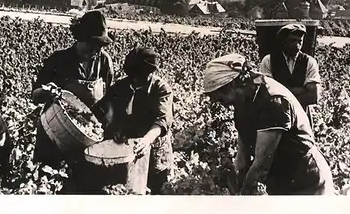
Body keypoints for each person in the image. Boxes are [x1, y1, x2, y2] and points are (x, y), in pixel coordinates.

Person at [203, 53, 334, 195]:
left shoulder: (272, 101)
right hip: (281, 177)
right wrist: (238, 180)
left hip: (306, 179)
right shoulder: (243, 99)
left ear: (233, 84)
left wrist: (242, 197)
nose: (218, 103)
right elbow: (242, 155)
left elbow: (261, 165)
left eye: (220, 97)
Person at [30, 10, 114, 189]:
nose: (96, 50)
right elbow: (35, 95)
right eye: (92, 44)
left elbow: (109, 98)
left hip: (85, 136)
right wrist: (47, 92)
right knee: (48, 182)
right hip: (55, 132)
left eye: (100, 46)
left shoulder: (104, 62)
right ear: (80, 39)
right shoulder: (59, 60)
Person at [93, 47, 173, 195]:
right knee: (126, 191)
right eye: (133, 76)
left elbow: (162, 120)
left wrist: (147, 140)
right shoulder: (120, 87)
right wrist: (113, 124)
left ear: (151, 72)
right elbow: (103, 109)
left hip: (154, 150)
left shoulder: (160, 89)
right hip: (126, 151)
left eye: (141, 77)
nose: (136, 80)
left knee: (156, 191)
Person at [259, 23, 321, 126]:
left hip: (302, 118)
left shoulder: (310, 62)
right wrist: (301, 90)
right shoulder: (269, 60)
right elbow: (267, 94)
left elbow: (313, 96)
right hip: (276, 119)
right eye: (292, 41)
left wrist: (281, 90)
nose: (297, 45)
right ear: (283, 41)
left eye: (299, 42)